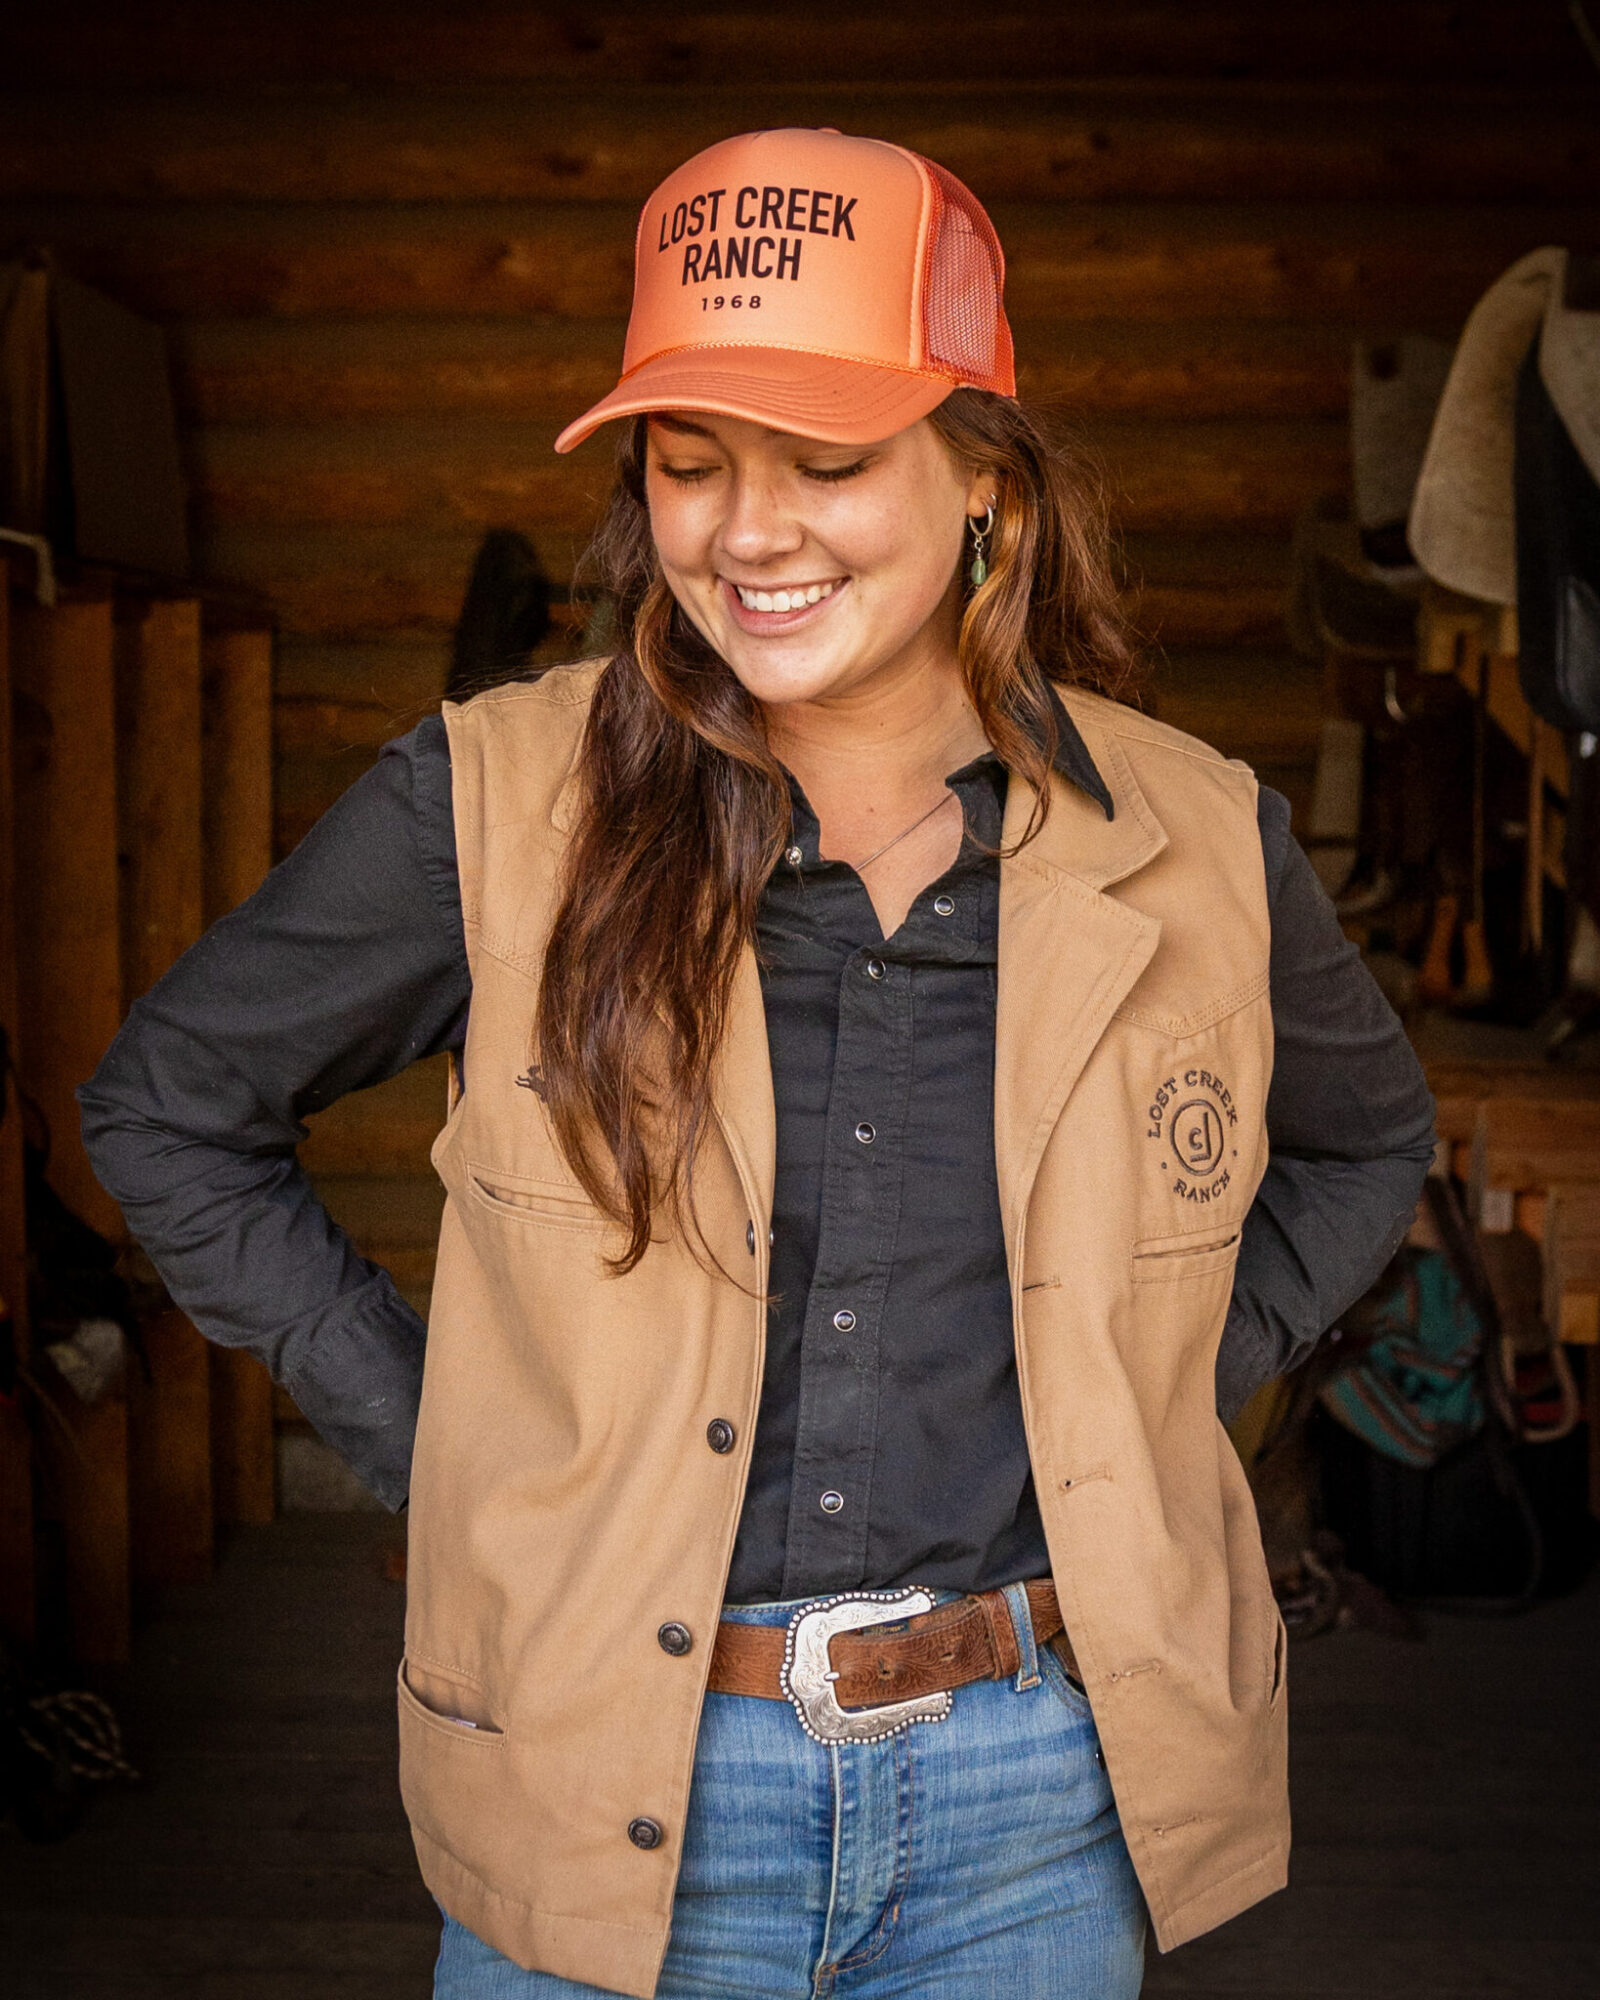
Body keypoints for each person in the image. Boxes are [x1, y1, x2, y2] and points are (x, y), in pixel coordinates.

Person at [79, 129, 1436, 2000]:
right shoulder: (494, 801)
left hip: (1035, 1810)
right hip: (601, 1781)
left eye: (830, 460)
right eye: (691, 458)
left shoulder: (1195, 835)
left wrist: (1160, 1380)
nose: (748, 531)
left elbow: (1369, 1143)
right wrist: (435, 1427)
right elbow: (168, 1106)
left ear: (986, 482)